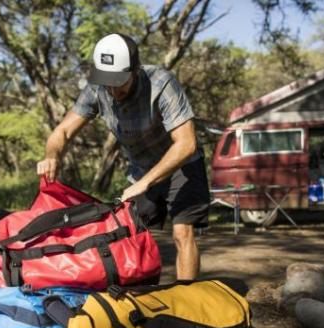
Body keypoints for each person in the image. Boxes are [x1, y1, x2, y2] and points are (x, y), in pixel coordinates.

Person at [37, 33, 209, 280]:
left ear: (136, 70)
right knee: (129, 231)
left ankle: (186, 301)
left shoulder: (162, 83)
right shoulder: (97, 90)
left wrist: (145, 183)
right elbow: (63, 130)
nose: (113, 89)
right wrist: (52, 155)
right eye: (107, 81)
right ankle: (143, 296)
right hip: (141, 169)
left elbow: (186, 143)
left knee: (182, 232)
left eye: (119, 81)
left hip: (182, 164)